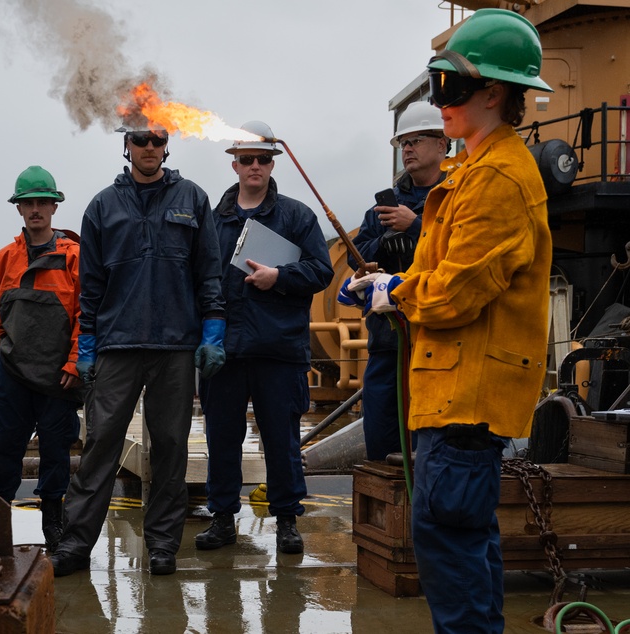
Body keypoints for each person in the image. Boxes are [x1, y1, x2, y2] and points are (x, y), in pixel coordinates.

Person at [338, 9, 553, 632]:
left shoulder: (498, 180)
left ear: (493, 93)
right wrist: (385, 282)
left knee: (448, 539)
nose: (440, 102)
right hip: (450, 388)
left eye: (450, 88)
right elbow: (441, 267)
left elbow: (458, 292)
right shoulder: (474, 175)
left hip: (468, 395)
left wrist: (394, 294)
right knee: (463, 534)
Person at [49, 124, 226, 577]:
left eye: (157, 140)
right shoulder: (102, 206)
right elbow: (89, 286)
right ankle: (74, 545)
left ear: (168, 145)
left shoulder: (193, 199)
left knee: (170, 446)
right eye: (140, 140)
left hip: (175, 345)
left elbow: (209, 272)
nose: (150, 147)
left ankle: (163, 546)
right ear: (125, 145)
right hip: (116, 344)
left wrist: (213, 330)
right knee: (100, 445)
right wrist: (85, 344)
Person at [194, 121, 334, 555]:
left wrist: (280, 277)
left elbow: (322, 270)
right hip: (226, 351)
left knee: (282, 438)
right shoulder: (212, 221)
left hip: (279, 350)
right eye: (246, 159)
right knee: (221, 437)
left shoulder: (296, 216)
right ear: (234, 163)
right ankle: (222, 519)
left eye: (263, 159)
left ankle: (287, 520)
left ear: (273, 163)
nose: (255, 166)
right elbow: (196, 277)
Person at [0, 165, 82, 551]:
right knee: (5, 448)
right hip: (13, 374)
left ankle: (52, 520)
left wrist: (75, 363)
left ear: (54, 207)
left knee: (56, 451)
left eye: (43, 202)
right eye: (29, 203)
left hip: (58, 377)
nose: (36, 209)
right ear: (19, 209)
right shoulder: (4, 259)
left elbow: (85, 315)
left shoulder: (74, 256)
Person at [348, 102, 447, 461]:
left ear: (442, 144)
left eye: (416, 140)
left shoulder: (457, 196)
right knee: (381, 436)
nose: (407, 148)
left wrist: (416, 227)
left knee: (430, 444)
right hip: (388, 338)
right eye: (403, 142)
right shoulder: (384, 207)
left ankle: (423, 514)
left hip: (438, 341)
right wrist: (382, 245)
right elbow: (354, 254)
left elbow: (463, 248)